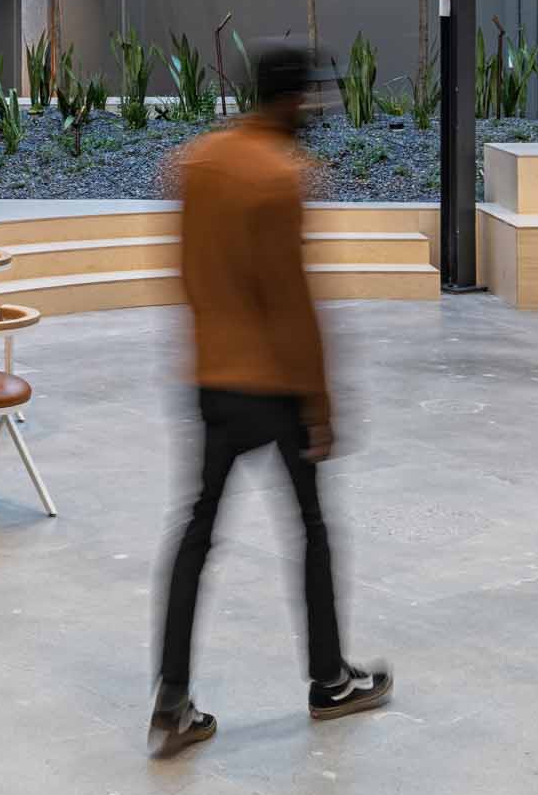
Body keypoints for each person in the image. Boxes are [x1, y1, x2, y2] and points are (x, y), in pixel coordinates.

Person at [151, 41, 390, 758]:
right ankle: (329, 681)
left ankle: (172, 696)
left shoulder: (195, 162)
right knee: (312, 528)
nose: (314, 110)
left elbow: (187, 272)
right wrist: (321, 403)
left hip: (209, 376)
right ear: (290, 100)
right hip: (275, 384)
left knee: (196, 535)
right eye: (310, 97)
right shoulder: (282, 177)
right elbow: (293, 305)